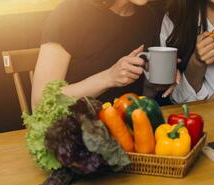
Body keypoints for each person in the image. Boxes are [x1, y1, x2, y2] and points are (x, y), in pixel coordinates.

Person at [31, 0, 174, 108]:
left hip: (125, 135)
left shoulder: (149, 17)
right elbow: (40, 102)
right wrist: (108, 78)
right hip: (75, 132)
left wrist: (155, 84)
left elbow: (140, 97)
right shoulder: (71, 11)